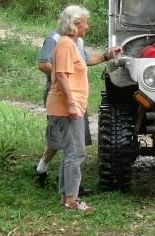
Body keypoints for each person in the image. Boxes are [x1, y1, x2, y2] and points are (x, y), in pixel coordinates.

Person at [35, 28, 120, 189]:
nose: (88, 26)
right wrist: (65, 75)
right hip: (60, 94)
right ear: (74, 23)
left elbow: (84, 60)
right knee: (60, 140)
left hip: (77, 96)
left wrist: (106, 56)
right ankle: (53, 177)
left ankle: (66, 185)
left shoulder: (78, 41)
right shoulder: (56, 38)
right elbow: (43, 64)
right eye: (84, 22)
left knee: (73, 143)